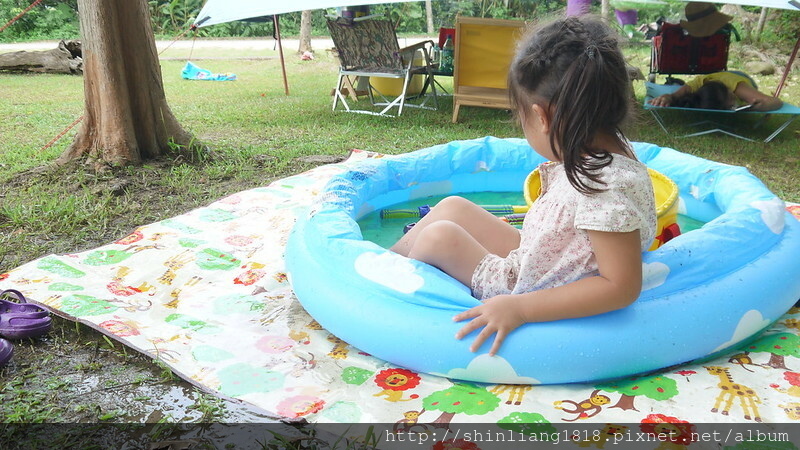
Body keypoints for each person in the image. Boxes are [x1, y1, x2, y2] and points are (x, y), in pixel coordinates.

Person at [390, 16, 657, 355]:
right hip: (539, 259)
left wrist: (520, 308)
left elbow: (620, 286)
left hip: (528, 289)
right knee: (454, 207)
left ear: (542, 117)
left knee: (439, 236)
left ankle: (384, 294)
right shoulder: (604, 149)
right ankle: (382, 261)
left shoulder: (604, 188)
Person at [648, 71, 783, 111]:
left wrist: (755, 107)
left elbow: (775, 102)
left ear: (730, 91)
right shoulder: (697, 84)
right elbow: (673, 96)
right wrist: (667, 98)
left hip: (740, 76)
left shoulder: (736, 86)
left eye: (731, 102)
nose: (732, 105)